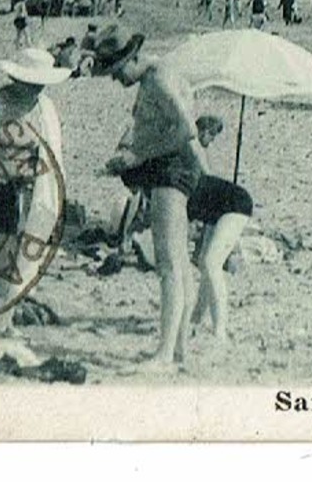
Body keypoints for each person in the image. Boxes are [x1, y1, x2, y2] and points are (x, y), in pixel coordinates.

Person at [92, 26, 201, 372]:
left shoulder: (159, 80)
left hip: (172, 169)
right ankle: (180, 348)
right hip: (170, 167)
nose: (116, 79)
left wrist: (139, 156)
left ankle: (165, 354)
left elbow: (188, 131)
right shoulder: (157, 75)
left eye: (118, 70)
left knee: (168, 264)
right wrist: (133, 153)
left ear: (135, 57)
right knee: (180, 262)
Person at [0, 48, 70, 332]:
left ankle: (6, 315)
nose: (37, 87)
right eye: (32, 81)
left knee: (23, 249)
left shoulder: (44, 107)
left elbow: (51, 150)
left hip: (31, 188)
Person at [184, 116, 254, 342]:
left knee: (211, 263)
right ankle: (197, 316)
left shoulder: (178, 192)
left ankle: (220, 331)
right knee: (206, 259)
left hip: (236, 205)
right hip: (219, 209)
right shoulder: (186, 179)